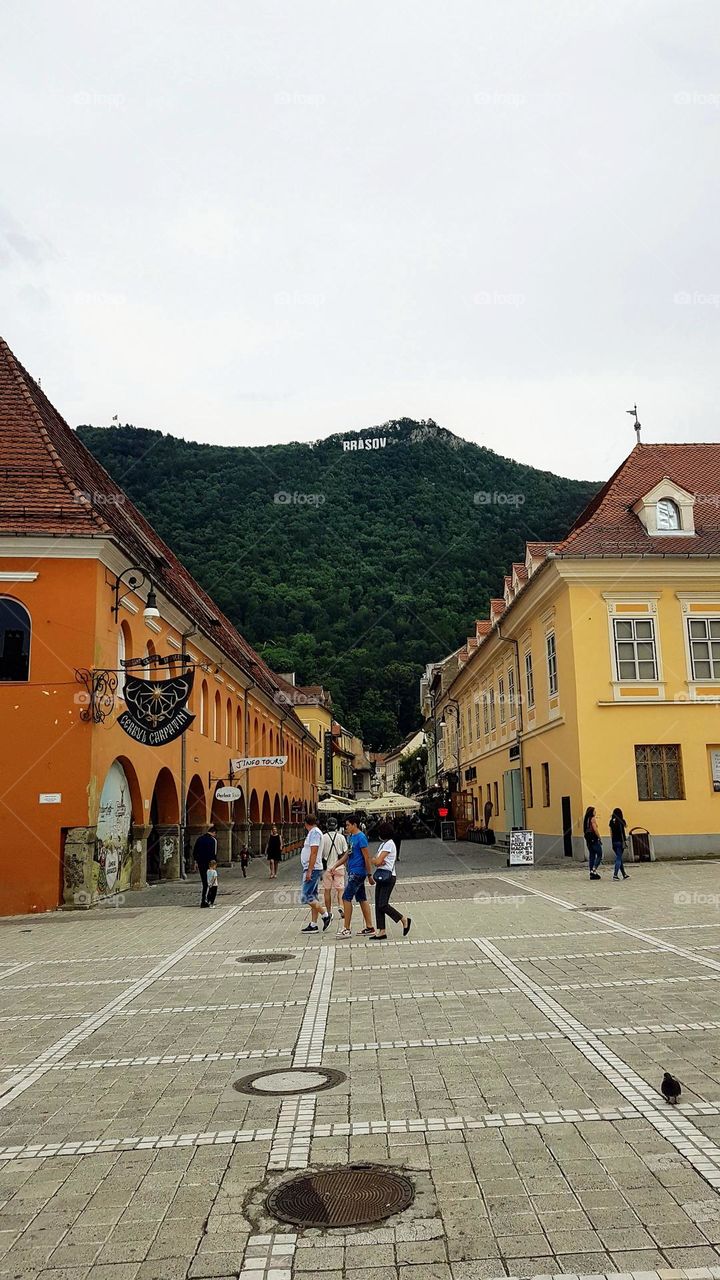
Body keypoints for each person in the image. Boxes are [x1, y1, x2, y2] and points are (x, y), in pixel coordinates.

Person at [335, 814, 376, 939]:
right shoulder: (351, 837)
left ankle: (346, 928)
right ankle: (369, 927)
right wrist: (335, 865)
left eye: (348, 825)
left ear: (354, 824)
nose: (346, 827)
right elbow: (348, 854)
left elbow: (366, 857)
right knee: (361, 898)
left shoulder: (361, 837)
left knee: (346, 897)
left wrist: (369, 874)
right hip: (352, 871)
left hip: (358, 872)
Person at [370, 821, 411, 940]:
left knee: (383, 904)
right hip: (381, 876)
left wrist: (377, 860)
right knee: (378, 904)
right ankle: (381, 931)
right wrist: (376, 860)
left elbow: (377, 861)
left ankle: (403, 919)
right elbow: (375, 860)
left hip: (388, 877)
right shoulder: (383, 845)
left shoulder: (389, 844)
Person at [300, 814, 332, 934]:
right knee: (313, 896)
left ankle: (325, 915)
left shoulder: (314, 833)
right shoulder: (316, 832)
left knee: (305, 896)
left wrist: (309, 870)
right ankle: (313, 924)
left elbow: (313, 852)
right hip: (313, 867)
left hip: (312, 868)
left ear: (305, 823)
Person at [322, 817, 348, 930]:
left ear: (327, 826)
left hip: (327, 868)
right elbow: (345, 852)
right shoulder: (341, 837)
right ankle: (341, 906)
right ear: (336, 826)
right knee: (340, 889)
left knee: (327, 891)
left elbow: (321, 854)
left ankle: (328, 911)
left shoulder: (323, 838)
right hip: (339, 866)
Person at [193, 824, 217, 908]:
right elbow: (213, 854)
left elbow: (195, 851)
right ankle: (209, 900)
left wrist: (196, 862)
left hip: (201, 864)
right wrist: (213, 866)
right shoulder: (213, 840)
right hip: (209, 865)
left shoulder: (199, 839)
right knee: (211, 883)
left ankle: (203, 900)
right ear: (213, 833)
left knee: (204, 883)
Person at [609, 807, 630, 881]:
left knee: (619, 858)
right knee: (618, 858)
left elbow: (611, 832)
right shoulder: (621, 820)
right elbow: (625, 826)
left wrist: (612, 841)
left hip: (614, 841)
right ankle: (615, 875)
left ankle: (624, 874)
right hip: (620, 841)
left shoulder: (611, 821)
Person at [583, 806, 603, 880]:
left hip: (588, 840)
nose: (595, 812)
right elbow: (595, 829)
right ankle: (594, 869)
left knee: (592, 855)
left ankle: (591, 872)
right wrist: (599, 837)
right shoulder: (592, 819)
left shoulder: (585, 820)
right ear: (591, 812)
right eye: (594, 811)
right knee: (600, 854)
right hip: (594, 839)